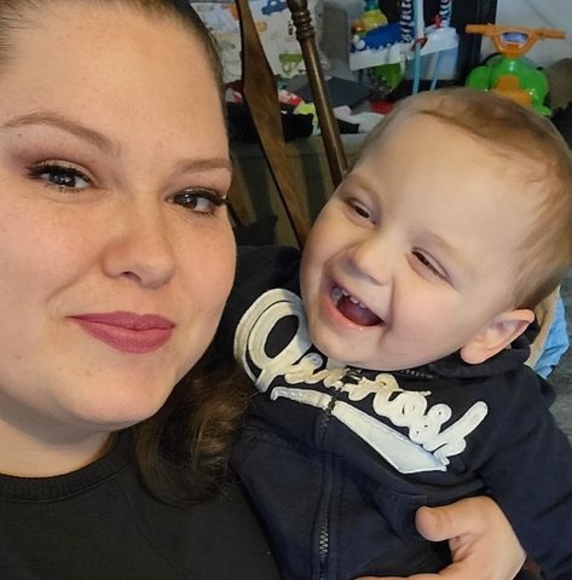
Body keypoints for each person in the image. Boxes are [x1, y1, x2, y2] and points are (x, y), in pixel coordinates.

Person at [0, 0, 528, 578]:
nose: (154, 258)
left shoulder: (256, 391)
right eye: (64, 175)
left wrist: (497, 533)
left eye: (194, 197)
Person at [217, 87, 572, 579]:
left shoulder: (503, 410)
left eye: (426, 260)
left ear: (491, 331)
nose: (366, 257)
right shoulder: (259, 288)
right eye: (361, 209)